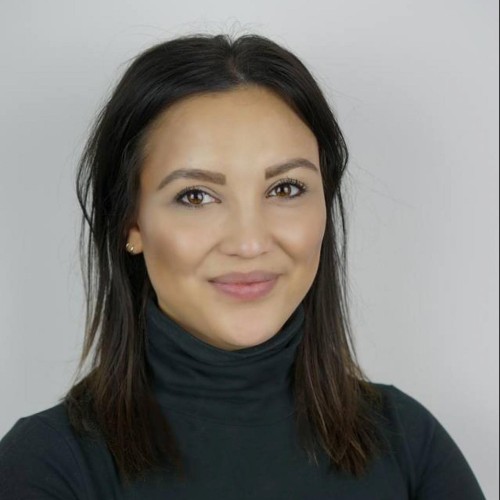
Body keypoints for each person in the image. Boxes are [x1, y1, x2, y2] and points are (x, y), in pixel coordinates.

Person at [0, 33, 485, 499]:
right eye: (196, 196)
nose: (250, 243)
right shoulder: (45, 467)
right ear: (131, 222)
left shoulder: (409, 443)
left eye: (285, 189)